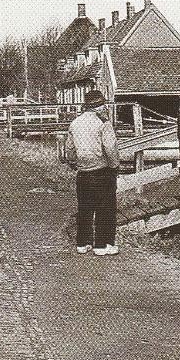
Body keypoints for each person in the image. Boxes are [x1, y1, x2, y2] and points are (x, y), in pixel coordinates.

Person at [65, 90, 120, 256]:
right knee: (105, 208)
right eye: (103, 105)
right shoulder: (104, 123)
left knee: (84, 208)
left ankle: (83, 243)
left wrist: (76, 162)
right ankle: (102, 245)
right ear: (100, 106)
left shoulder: (75, 123)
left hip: (83, 172)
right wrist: (114, 165)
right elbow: (110, 147)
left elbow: (69, 149)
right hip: (102, 170)